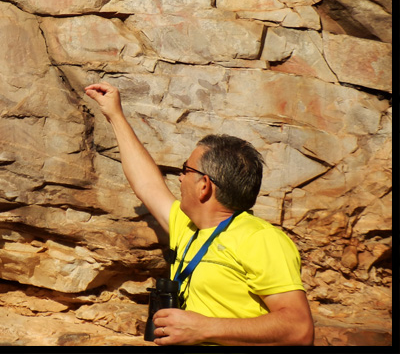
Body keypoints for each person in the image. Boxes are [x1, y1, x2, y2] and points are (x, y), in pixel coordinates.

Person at [84, 82, 314, 346]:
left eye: (186, 169)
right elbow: (147, 184)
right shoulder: (190, 228)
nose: (179, 178)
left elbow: (299, 329)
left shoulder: (261, 240)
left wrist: (204, 328)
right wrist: (114, 115)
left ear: (204, 185)